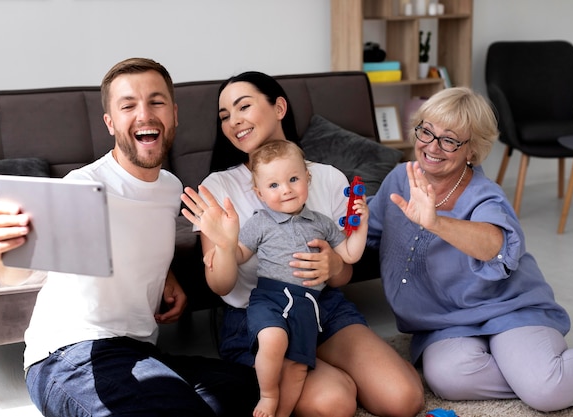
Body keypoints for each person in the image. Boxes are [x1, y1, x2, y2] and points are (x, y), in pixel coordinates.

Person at [0, 57, 259, 417]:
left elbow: (136, 234)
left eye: (156, 102)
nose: (145, 114)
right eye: (128, 106)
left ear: (173, 114)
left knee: (257, 390)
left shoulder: (170, 189)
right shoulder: (82, 186)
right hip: (69, 355)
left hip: (140, 350)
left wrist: (166, 275)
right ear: (110, 122)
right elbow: (16, 272)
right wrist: (0, 251)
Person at [181, 71, 424, 417]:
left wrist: (335, 265)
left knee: (404, 398)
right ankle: (322, 372)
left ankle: (328, 360)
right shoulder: (219, 188)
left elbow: (342, 274)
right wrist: (224, 246)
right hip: (262, 318)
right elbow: (221, 285)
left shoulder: (327, 178)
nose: (234, 121)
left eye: (243, 107)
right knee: (335, 402)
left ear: (279, 107)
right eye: (225, 116)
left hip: (322, 306)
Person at [366, 86, 573, 413]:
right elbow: (369, 231)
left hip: (509, 309)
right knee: (448, 379)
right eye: (426, 131)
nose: (432, 147)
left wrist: (435, 222)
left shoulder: (485, 195)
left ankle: (541, 377)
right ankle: (529, 370)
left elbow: (495, 244)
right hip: (445, 322)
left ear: (472, 150)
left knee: (546, 390)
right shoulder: (399, 179)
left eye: (450, 140)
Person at [183, 140, 369, 417]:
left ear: (308, 179)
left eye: (294, 179)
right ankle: (268, 396)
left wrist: (361, 224)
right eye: (274, 186)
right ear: (259, 193)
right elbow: (240, 254)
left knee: (297, 367)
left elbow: (350, 255)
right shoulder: (260, 221)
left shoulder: (321, 223)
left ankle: (279, 413)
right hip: (269, 298)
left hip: (306, 305)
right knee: (273, 338)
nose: (286, 190)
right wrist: (224, 245)